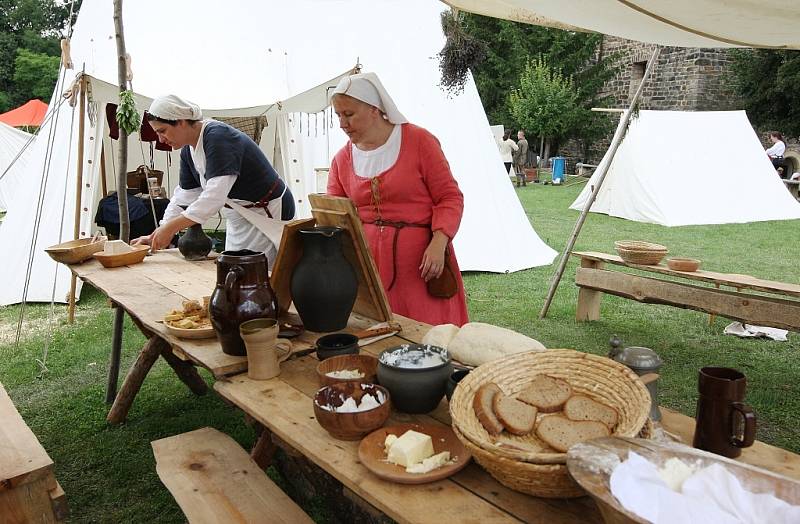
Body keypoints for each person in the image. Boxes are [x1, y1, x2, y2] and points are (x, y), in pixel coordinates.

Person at [327, 72, 469, 326]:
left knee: (427, 335)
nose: (342, 123)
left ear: (374, 109)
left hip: (422, 265)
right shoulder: (342, 159)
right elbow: (334, 213)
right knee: (379, 335)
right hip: (369, 268)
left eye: (348, 114)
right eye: (338, 115)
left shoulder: (419, 142)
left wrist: (439, 243)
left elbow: (449, 197)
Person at [133, 95, 295, 265]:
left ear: (180, 121)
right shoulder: (188, 152)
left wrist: (171, 228)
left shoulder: (218, 137)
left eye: (162, 131)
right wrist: (159, 233)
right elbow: (184, 197)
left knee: (257, 271)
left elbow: (213, 197)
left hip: (267, 210)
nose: (161, 139)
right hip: (239, 211)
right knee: (236, 268)